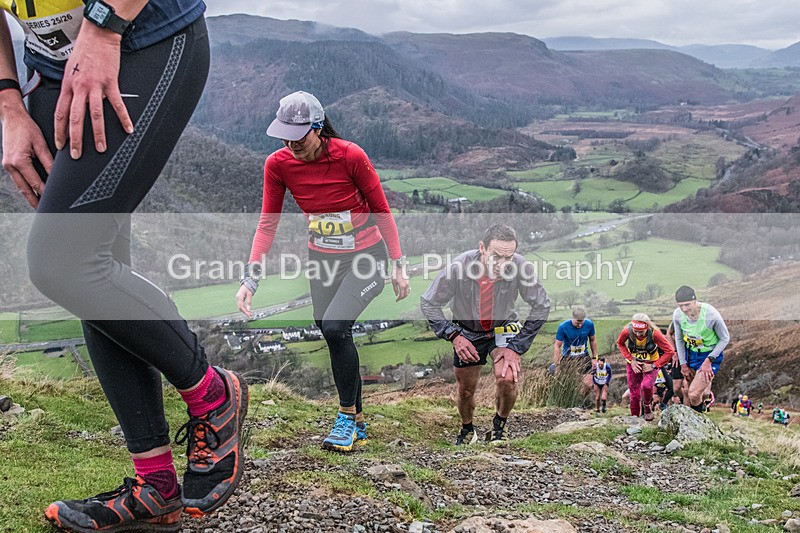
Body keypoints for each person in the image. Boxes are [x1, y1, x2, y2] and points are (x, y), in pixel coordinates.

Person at [0, 2, 248, 531]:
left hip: (142, 39)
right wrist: (8, 104)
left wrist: (105, 26)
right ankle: (156, 488)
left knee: (63, 262)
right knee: (96, 265)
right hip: (53, 64)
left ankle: (212, 393)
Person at [237, 91, 410, 452]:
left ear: (318, 128)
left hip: (366, 256)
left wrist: (398, 265)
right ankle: (358, 421)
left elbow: (382, 211)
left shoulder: (350, 156)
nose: (291, 144)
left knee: (334, 327)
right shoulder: (277, 165)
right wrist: (251, 278)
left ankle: (344, 419)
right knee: (333, 332)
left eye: (298, 136)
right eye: (284, 136)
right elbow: (267, 224)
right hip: (323, 259)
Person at [420, 224, 550, 444]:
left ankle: (500, 425)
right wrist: (454, 336)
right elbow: (428, 303)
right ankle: (467, 429)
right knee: (466, 389)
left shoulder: (520, 266)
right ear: (482, 248)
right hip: (467, 330)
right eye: (496, 256)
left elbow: (542, 306)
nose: (503, 264)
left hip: (503, 327)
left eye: (508, 257)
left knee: (508, 379)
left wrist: (516, 347)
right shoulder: (460, 266)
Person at [672, 285, 730, 412]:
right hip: (690, 353)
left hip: (709, 354)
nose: (684, 309)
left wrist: (709, 360)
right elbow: (679, 339)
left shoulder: (711, 314)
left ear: (695, 301)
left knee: (694, 394)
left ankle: (699, 421)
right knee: (688, 391)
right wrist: (683, 364)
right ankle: (697, 411)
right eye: (680, 306)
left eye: (687, 305)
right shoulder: (677, 315)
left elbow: (725, 338)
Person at [616, 313, 674, 421]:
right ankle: (634, 419)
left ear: (647, 327)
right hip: (634, 363)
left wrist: (654, 365)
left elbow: (670, 351)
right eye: (636, 331)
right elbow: (620, 343)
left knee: (646, 386)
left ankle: (647, 406)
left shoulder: (655, 334)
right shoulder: (627, 331)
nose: (638, 334)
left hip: (651, 363)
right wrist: (631, 360)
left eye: (641, 332)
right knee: (634, 393)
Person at [554, 307, 598, 395]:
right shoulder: (563, 327)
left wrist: (594, 358)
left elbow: (592, 340)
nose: (580, 325)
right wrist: (557, 365)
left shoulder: (589, 324)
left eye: (581, 323)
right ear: (572, 318)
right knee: (568, 386)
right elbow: (557, 346)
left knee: (589, 384)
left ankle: (580, 399)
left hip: (583, 357)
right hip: (568, 358)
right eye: (577, 323)